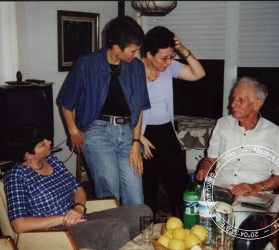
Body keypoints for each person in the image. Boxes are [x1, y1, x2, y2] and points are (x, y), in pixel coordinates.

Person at [4, 127, 153, 250]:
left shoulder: (51, 160)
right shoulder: (16, 176)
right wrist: (64, 218)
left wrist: (78, 208)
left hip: (80, 218)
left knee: (142, 212)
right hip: (57, 231)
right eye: (42, 144)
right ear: (28, 155)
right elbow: (19, 224)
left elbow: (78, 189)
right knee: (116, 229)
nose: (49, 142)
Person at [57, 16, 150, 205]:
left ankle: (136, 235)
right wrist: (73, 131)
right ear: (116, 48)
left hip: (127, 134)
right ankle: (113, 234)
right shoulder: (86, 65)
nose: (137, 54)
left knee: (136, 198)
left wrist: (135, 143)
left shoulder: (137, 67)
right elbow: (65, 102)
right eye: (133, 50)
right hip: (97, 134)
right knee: (110, 195)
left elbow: (139, 108)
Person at [140, 26, 205, 218]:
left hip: (166, 132)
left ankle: (187, 224)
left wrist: (184, 51)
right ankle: (145, 231)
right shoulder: (133, 68)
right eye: (164, 57)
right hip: (142, 134)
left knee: (179, 183)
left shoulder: (170, 67)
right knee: (146, 187)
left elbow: (198, 74)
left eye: (171, 56)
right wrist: (137, 138)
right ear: (149, 54)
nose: (168, 62)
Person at [196, 77, 279, 195]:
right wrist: (204, 167)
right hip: (220, 188)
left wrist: (256, 187)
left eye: (241, 100)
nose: (233, 104)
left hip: (255, 194)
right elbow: (210, 158)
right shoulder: (223, 123)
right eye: (233, 98)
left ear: (256, 104)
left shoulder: (274, 133)